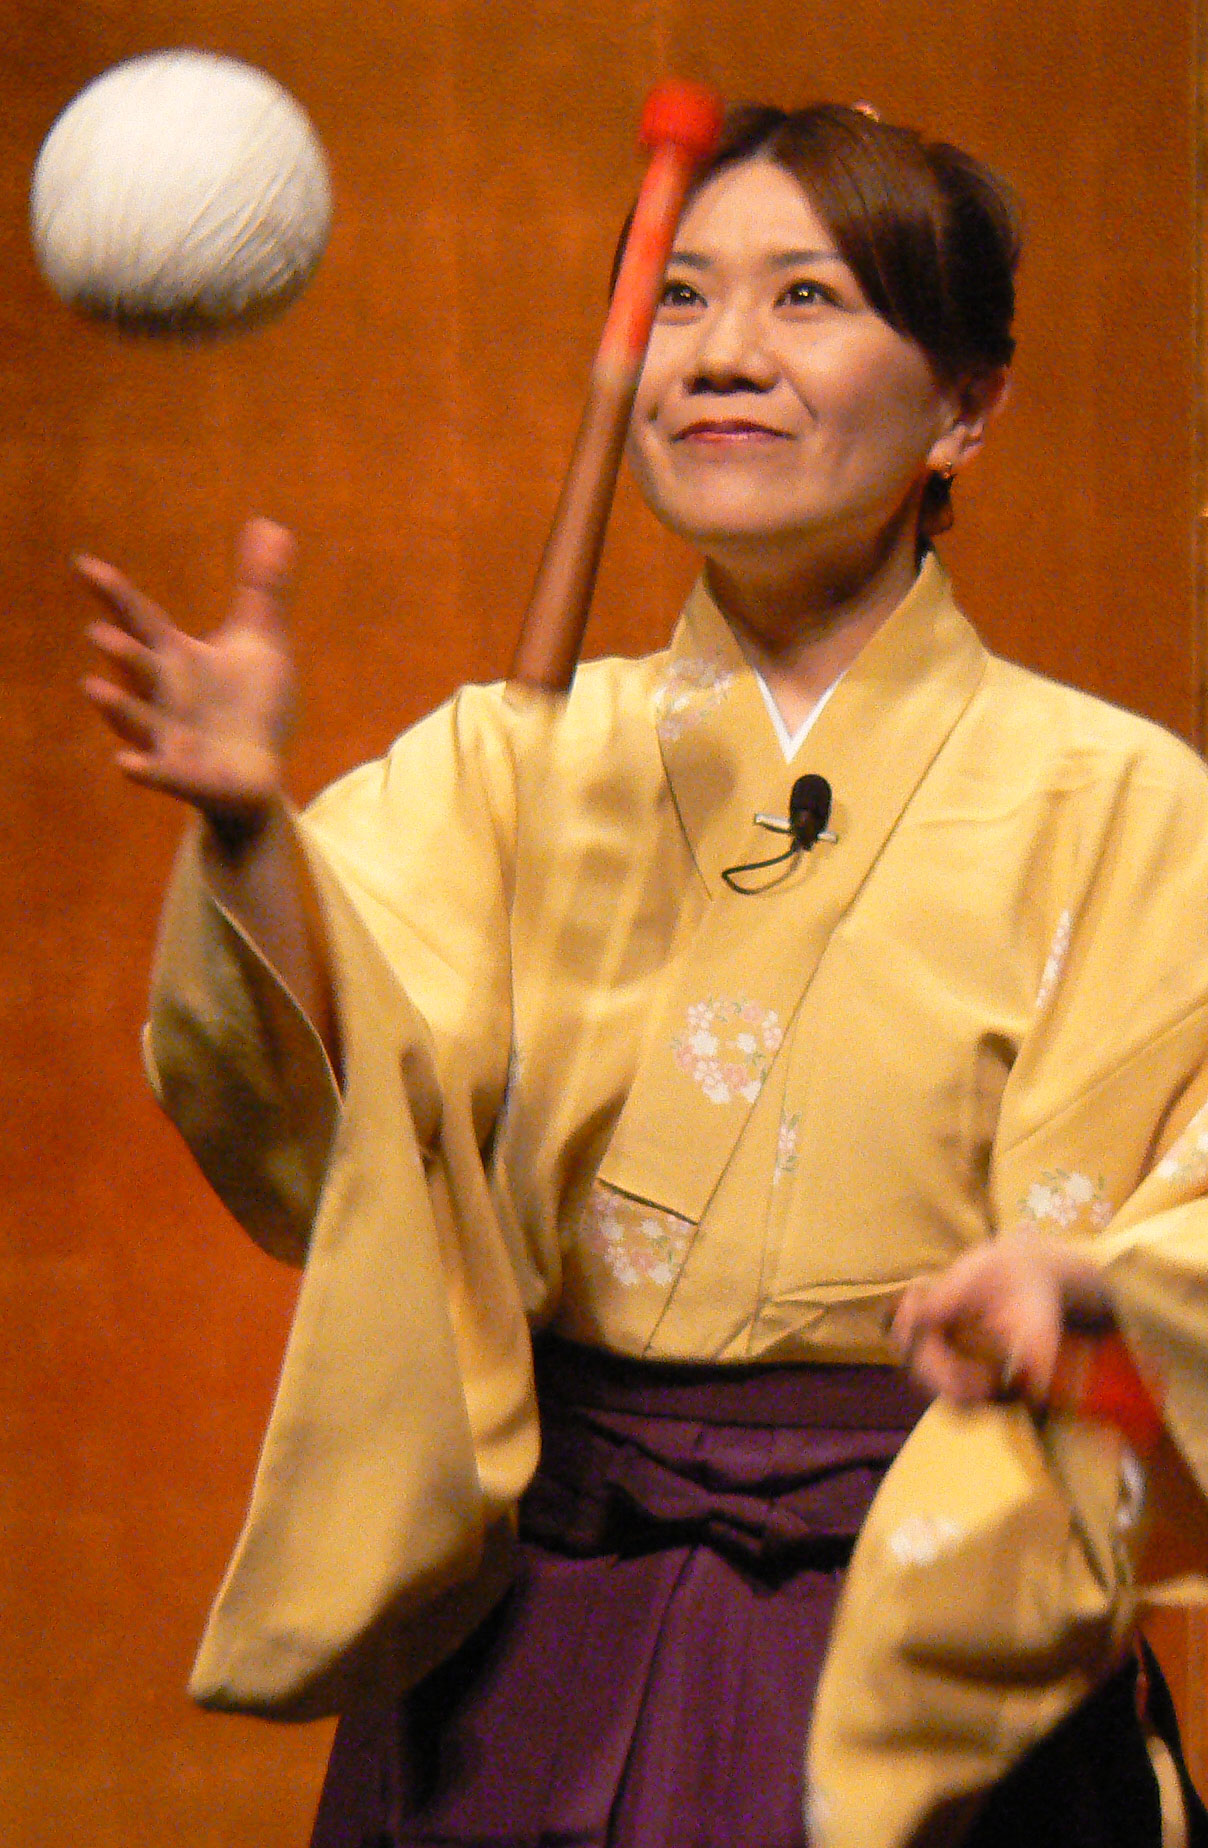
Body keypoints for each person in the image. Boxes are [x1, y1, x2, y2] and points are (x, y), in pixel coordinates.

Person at [79, 103, 1208, 1847]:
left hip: (925, 1636)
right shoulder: (508, 763)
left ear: (966, 410)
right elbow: (334, 1102)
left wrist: (1089, 1293)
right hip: (545, 1626)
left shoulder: (1126, 802)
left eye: (807, 296)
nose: (722, 353)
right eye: (679, 296)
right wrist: (245, 834)